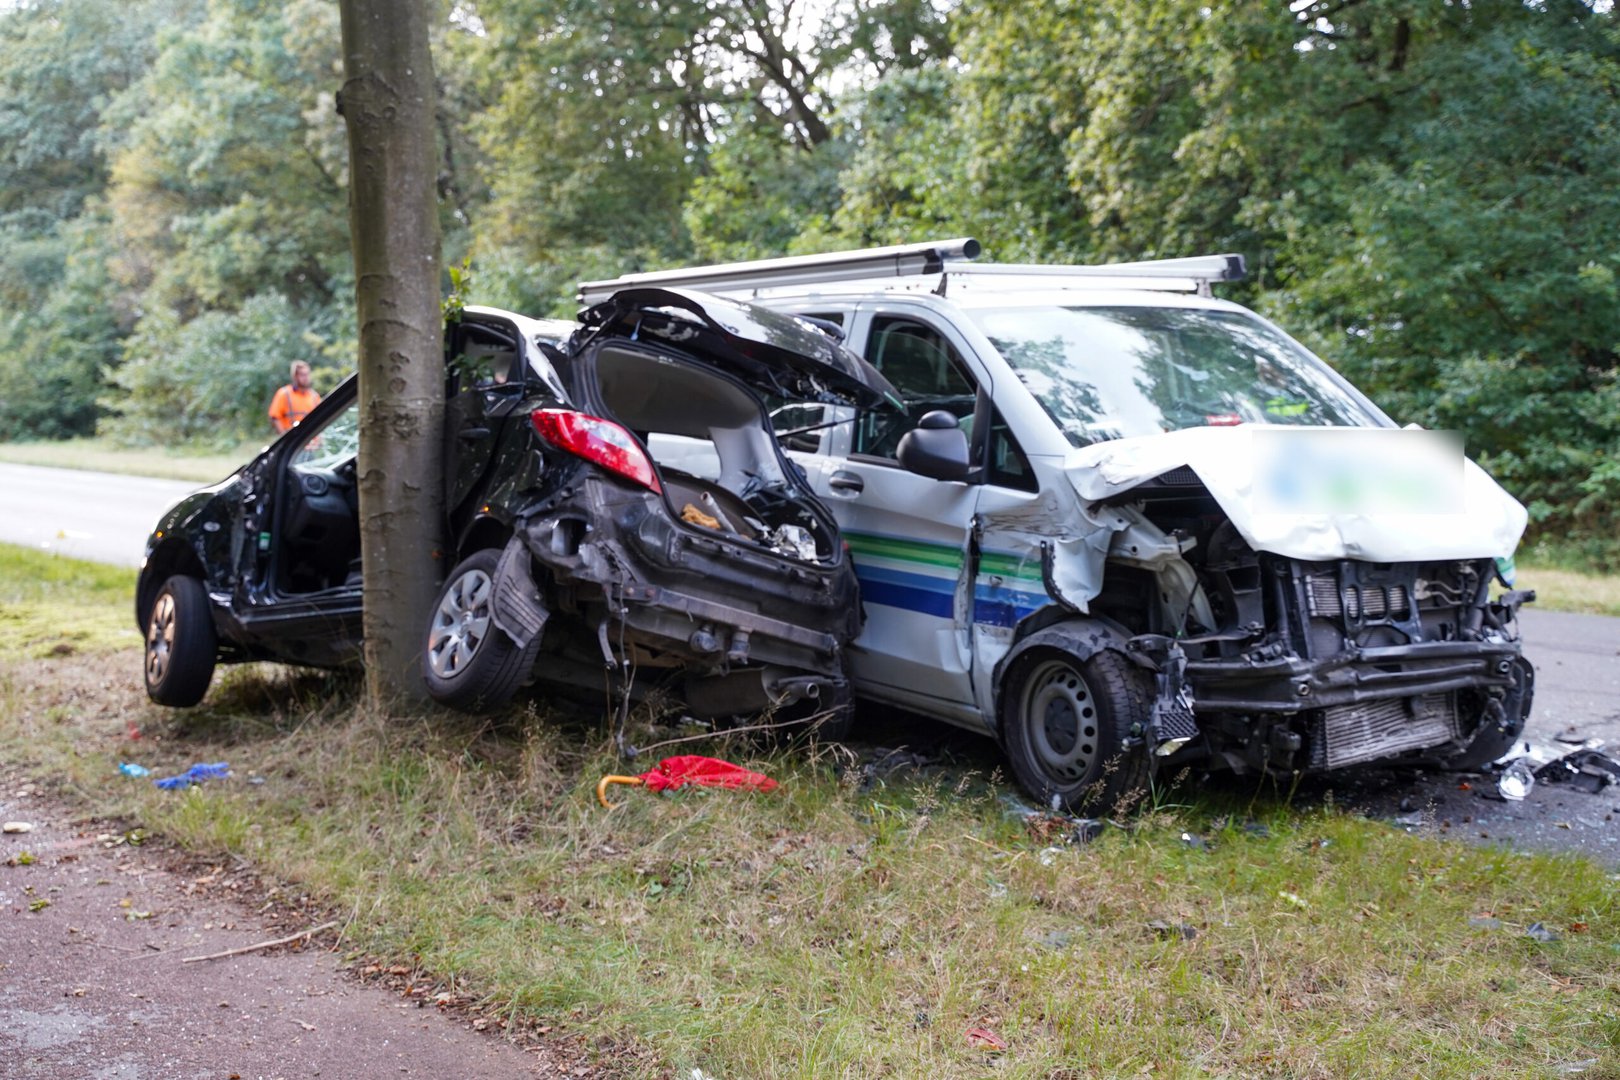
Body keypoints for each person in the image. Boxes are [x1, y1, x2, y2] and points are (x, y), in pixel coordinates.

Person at [268, 360, 321, 434]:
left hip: (312, 441)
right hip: (294, 440)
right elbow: (275, 417)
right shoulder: (284, 393)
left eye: (307, 374)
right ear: (295, 376)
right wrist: (285, 437)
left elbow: (320, 419)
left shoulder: (314, 396)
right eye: (302, 375)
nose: (306, 377)